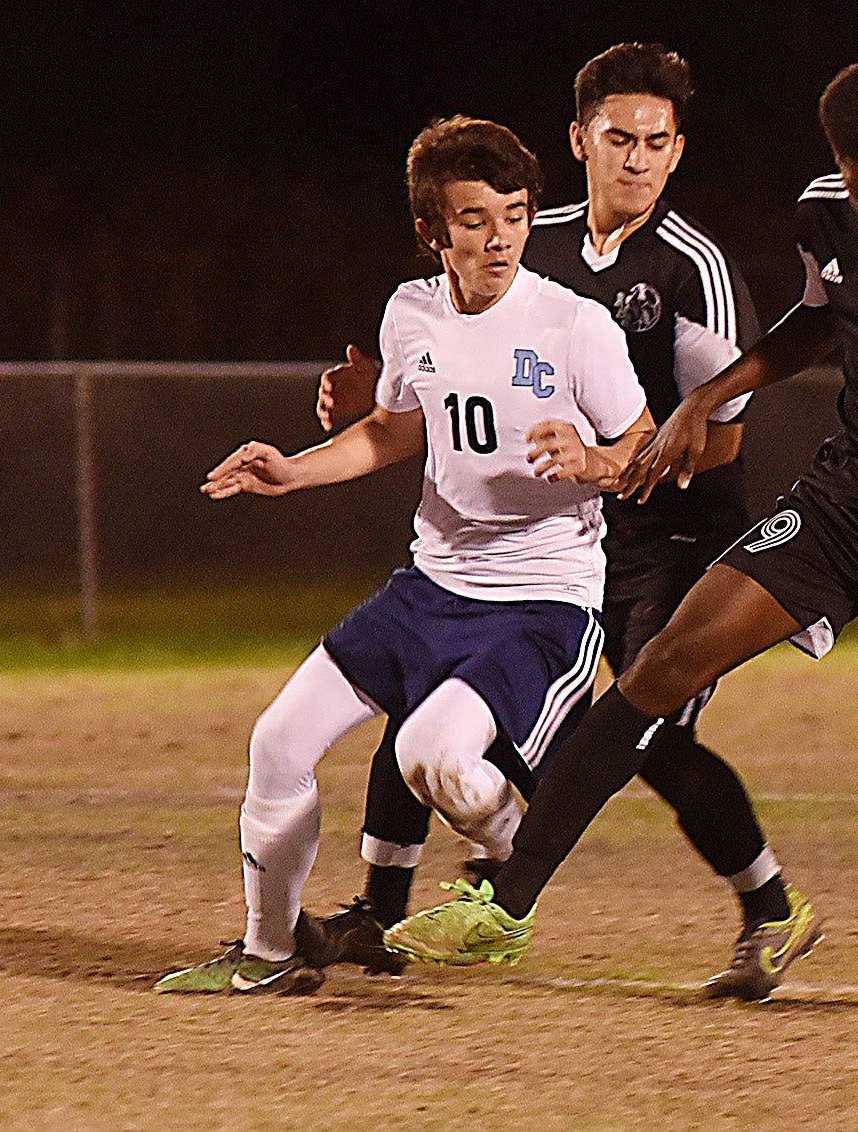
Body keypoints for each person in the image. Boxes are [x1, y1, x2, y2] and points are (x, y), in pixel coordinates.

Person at [387, 58, 858, 1014]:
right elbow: (816, 323)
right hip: (845, 501)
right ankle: (506, 906)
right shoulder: (824, 210)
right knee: (657, 670)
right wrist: (710, 393)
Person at [303, 43, 817, 1001]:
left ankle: (770, 907)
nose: (637, 159)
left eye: (656, 143)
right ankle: (380, 909)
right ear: (579, 139)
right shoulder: (527, 236)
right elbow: (449, 362)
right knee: (432, 655)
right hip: (557, 537)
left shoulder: (694, 270)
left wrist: (612, 461)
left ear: (677, 150)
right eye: (618, 138)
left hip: (674, 537)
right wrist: (378, 394)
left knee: (641, 728)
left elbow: (724, 446)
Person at [153, 116, 655, 994]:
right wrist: (293, 472)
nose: (498, 236)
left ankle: (508, 883)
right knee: (276, 743)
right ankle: (268, 955)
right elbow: (390, 431)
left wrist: (597, 462)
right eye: (473, 219)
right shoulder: (409, 311)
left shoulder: (575, 326)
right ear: (433, 232)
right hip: (428, 588)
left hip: (544, 602)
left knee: (432, 752)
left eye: (514, 213)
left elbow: (645, 448)